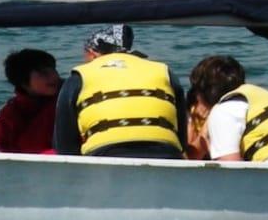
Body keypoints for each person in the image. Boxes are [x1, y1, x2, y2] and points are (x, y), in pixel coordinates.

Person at [53, 24, 185, 159]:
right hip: (167, 153)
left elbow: (65, 145)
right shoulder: (163, 71)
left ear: (92, 53)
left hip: (105, 155)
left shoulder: (80, 76)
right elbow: (182, 137)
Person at [0, 48, 61, 155]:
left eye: (54, 70)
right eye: (44, 73)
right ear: (24, 82)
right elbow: (0, 150)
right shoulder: (9, 115)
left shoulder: (67, 99)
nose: (54, 76)